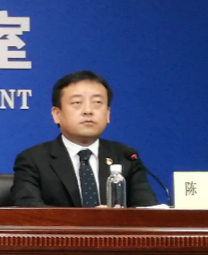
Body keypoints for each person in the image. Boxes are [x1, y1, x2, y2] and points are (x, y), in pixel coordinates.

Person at [8, 70, 158, 207]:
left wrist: (116, 219)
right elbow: (27, 208)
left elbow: (147, 210)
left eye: (97, 103)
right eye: (77, 103)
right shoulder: (33, 159)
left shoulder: (127, 157)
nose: (88, 111)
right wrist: (90, 220)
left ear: (107, 114)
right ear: (56, 114)